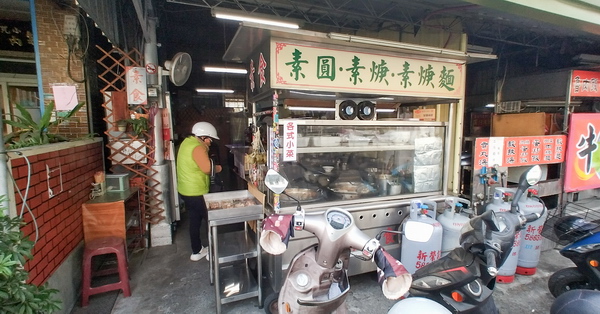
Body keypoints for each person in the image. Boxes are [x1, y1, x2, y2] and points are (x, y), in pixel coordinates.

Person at [177, 122, 222, 261]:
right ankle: (212, 253)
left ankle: (197, 251)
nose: (210, 142)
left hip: (185, 191)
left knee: (195, 220)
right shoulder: (198, 147)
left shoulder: (187, 142)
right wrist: (220, 168)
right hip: (196, 192)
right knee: (211, 221)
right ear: (203, 137)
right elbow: (207, 168)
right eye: (209, 139)